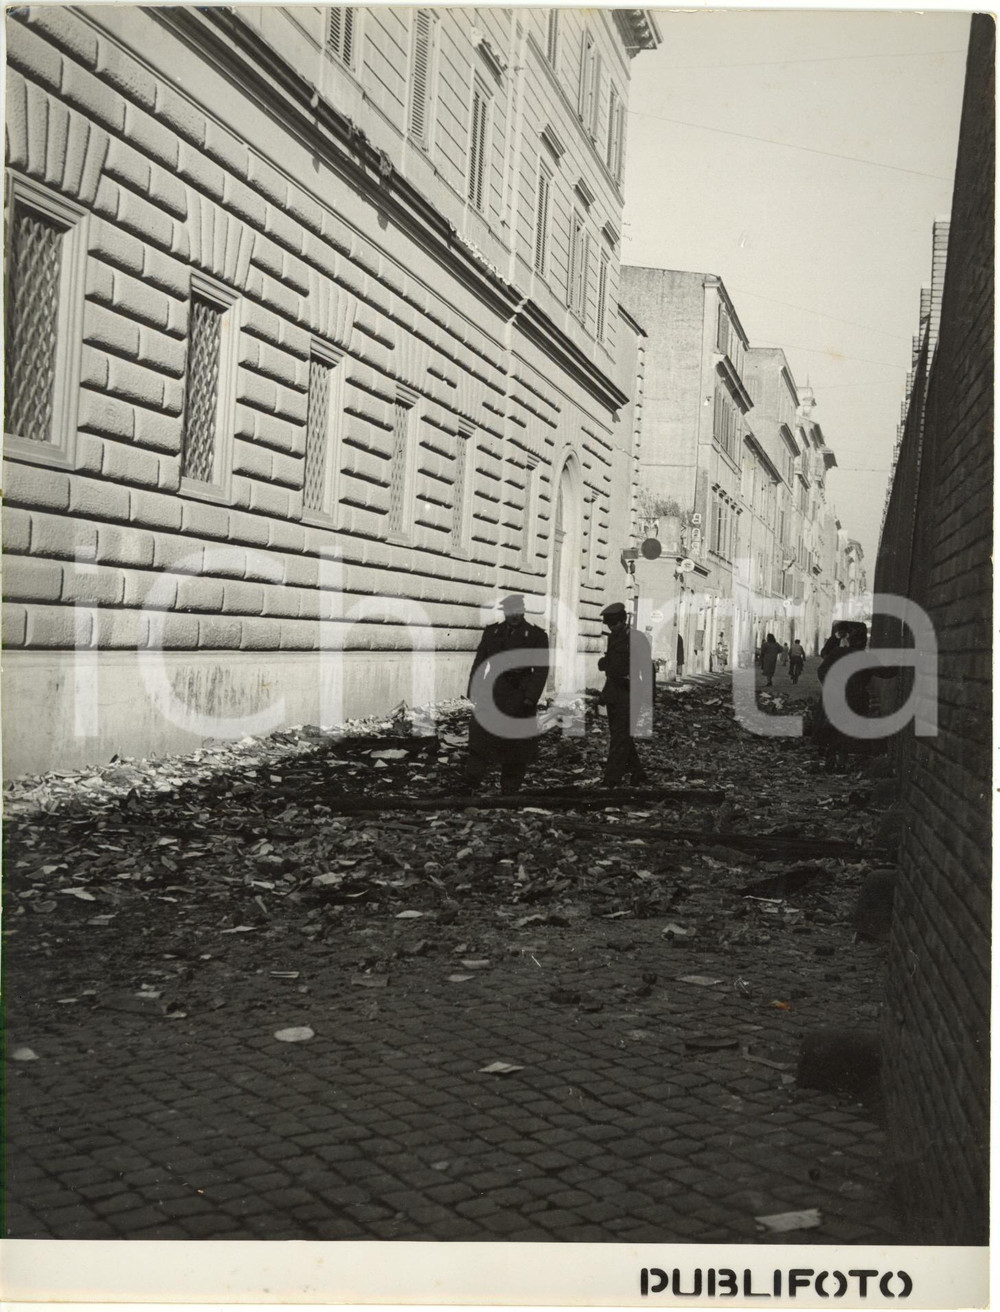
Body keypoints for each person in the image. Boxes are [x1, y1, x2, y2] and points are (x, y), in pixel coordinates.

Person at [465, 595, 548, 793]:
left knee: (516, 744)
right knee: (479, 737)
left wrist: (531, 697)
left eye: (518, 612)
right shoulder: (492, 632)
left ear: (523, 611)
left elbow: (541, 670)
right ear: (504, 612)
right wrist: (473, 690)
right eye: (510, 612)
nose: (514, 616)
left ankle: (510, 788)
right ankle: (471, 782)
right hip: (492, 691)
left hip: (520, 694)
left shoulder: (536, 635)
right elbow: (479, 663)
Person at [598, 602, 653, 787]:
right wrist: (604, 663)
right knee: (621, 736)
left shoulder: (637, 638)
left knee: (620, 738)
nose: (612, 627)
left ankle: (611, 779)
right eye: (609, 624)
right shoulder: (613, 638)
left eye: (614, 624)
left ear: (623, 620)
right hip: (614, 694)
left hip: (630, 694)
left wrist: (649, 697)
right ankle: (638, 774)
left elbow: (647, 669)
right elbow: (612, 667)